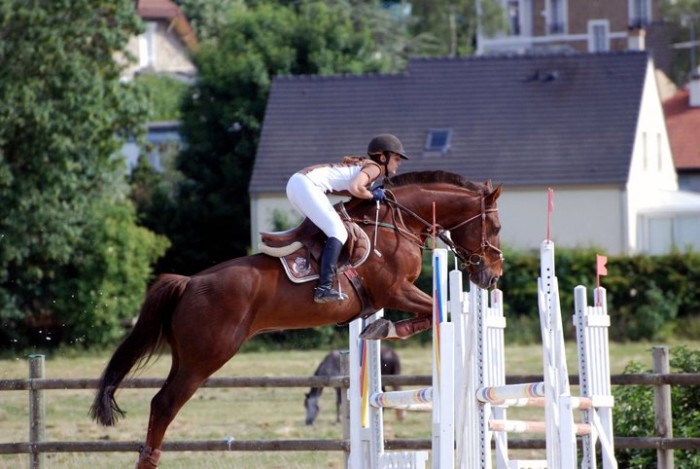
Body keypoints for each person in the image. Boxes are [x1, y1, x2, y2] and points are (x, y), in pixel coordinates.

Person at [286, 133, 408, 303]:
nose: (399, 163)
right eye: (396, 158)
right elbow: (355, 187)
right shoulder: (375, 168)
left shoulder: (368, 169)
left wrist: (370, 193)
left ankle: (311, 275)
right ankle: (323, 288)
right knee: (339, 232)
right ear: (383, 157)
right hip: (306, 185)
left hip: (297, 185)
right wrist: (372, 196)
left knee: (327, 232)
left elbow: (354, 194)